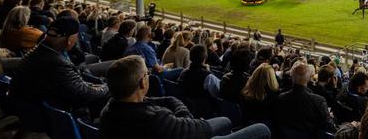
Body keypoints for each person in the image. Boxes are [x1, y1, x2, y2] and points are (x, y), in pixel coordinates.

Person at [99, 55, 271, 139]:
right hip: (191, 130)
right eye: (146, 73)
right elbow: (196, 128)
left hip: (182, 128)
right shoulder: (155, 119)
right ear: (143, 83)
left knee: (226, 120)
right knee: (262, 129)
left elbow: (164, 102)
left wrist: (175, 107)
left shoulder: (109, 109)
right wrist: (182, 115)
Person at [9, 17, 109, 115]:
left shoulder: (39, 50)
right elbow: (82, 94)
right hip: (44, 113)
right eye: (76, 36)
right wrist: (107, 87)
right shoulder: (56, 63)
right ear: (69, 39)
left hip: (30, 106)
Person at [276, 61, 334, 136]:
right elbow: (329, 125)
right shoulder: (319, 100)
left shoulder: (281, 97)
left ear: (292, 77)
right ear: (309, 78)